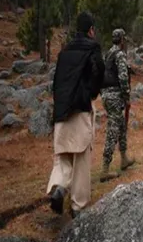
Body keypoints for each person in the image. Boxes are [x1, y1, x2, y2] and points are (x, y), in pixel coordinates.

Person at [47, 12, 105, 219]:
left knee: (63, 157)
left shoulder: (64, 52)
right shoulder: (92, 48)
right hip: (81, 108)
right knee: (81, 159)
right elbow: (100, 71)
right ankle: (78, 207)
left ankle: (60, 187)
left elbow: (56, 82)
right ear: (91, 30)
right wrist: (91, 93)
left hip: (61, 111)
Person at [100, 28, 135, 183]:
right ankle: (104, 169)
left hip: (107, 95)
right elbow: (122, 77)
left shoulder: (108, 54)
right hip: (115, 96)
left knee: (121, 126)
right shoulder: (119, 55)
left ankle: (124, 158)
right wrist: (127, 97)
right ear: (121, 40)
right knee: (113, 130)